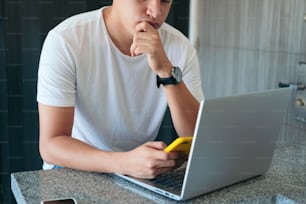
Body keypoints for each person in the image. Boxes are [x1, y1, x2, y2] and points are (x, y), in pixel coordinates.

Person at [37, 0, 204, 179]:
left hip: (137, 175)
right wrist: (125, 163)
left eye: (164, 0)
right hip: (72, 171)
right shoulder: (66, 39)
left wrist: (166, 71)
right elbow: (51, 146)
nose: (156, 12)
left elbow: (197, 138)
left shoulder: (180, 47)